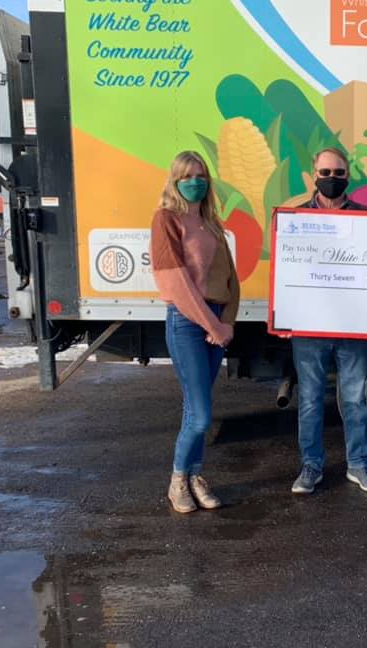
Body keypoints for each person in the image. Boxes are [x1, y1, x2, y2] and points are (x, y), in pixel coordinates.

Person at [286, 148, 367, 495]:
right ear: (313, 174)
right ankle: (311, 466)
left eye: (339, 172)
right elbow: (287, 272)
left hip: (351, 325)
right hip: (309, 328)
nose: (332, 178)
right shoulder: (294, 219)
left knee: (355, 399)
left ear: (348, 175)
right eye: (325, 171)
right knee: (311, 400)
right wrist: (284, 315)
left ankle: (359, 464)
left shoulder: (365, 218)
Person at [150, 150, 240, 514]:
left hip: (214, 323)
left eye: (201, 175)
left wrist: (228, 321)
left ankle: (196, 476)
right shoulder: (166, 219)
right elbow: (174, 281)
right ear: (174, 181)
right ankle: (177, 481)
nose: (195, 182)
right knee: (201, 414)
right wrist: (212, 324)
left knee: (197, 407)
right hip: (188, 323)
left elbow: (231, 279)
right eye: (187, 176)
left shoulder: (211, 223)